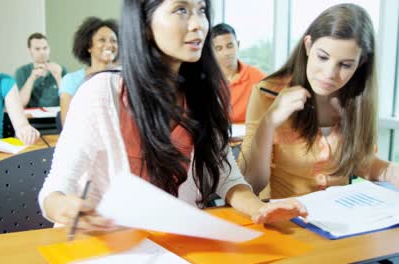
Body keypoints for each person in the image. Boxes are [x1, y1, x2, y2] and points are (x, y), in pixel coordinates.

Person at [39, 0, 307, 231]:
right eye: (181, 9)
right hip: (107, 246)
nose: (198, 24)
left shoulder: (204, 96)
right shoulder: (99, 93)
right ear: (145, 25)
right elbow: (54, 190)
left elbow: (229, 179)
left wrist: (259, 208)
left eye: (201, 10)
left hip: (175, 244)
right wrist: (64, 206)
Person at [239, 3, 399, 200]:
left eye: (345, 65)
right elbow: (251, 183)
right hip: (288, 221)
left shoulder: (358, 98)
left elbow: (359, 163)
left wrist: (391, 171)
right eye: (322, 57)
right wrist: (269, 123)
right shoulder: (267, 93)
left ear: (361, 62)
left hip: (343, 219)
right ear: (308, 45)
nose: (329, 74)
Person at [59, 17, 119, 125]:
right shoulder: (71, 80)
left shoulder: (123, 79)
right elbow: (68, 125)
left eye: (113, 41)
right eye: (102, 40)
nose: (109, 45)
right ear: (89, 47)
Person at [211, 23, 265, 123]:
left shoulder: (257, 77)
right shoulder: (206, 80)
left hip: (247, 136)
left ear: (238, 45)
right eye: (219, 48)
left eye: (230, 46)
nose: (226, 53)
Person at [15, 33, 67, 108]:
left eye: (45, 48)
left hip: (56, 117)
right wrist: (32, 78)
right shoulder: (22, 72)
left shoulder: (61, 70)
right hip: (33, 118)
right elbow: (21, 104)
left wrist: (58, 77)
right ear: (30, 50)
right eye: (37, 49)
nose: (42, 52)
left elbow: (69, 101)